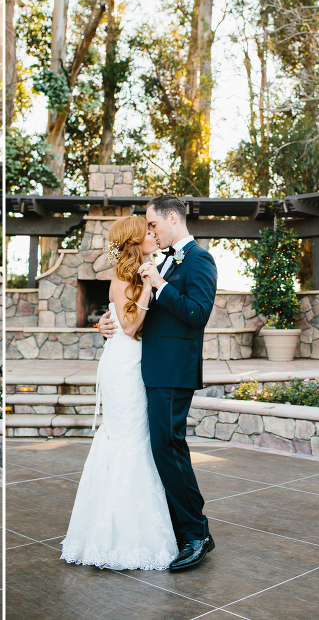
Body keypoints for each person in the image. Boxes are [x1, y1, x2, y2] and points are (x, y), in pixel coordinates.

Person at [97, 194, 218, 571]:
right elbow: (132, 308)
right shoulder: (160, 260)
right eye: (147, 227)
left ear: (171, 218)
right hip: (148, 367)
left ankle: (196, 534)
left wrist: (162, 285)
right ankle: (184, 529)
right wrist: (104, 322)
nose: (151, 231)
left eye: (153, 224)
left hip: (173, 370)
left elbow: (197, 314)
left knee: (169, 446)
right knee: (162, 448)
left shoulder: (200, 259)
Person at [61, 215, 178, 570]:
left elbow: (121, 320)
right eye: (147, 231)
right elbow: (128, 327)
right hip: (123, 370)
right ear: (134, 241)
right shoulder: (126, 277)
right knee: (128, 441)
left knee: (135, 441)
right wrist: (147, 286)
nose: (153, 234)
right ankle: (118, 539)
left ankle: (127, 530)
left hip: (133, 364)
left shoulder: (143, 269)